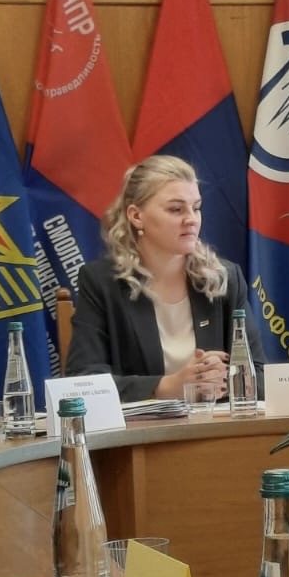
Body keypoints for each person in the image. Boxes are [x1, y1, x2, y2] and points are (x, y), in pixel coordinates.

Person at [67, 155, 266, 402]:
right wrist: (166, 387)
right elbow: (82, 381)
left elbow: (259, 378)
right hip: (141, 427)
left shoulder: (224, 278)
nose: (191, 219)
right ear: (136, 216)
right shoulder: (101, 283)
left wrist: (224, 378)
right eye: (176, 209)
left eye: (196, 208)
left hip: (213, 424)